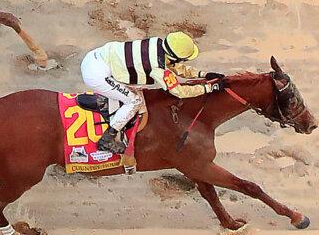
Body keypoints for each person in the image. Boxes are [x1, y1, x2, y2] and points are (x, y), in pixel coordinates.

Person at [80, 32, 223, 154]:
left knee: (131, 86)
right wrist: (209, 88)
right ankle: (107, 139)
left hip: (95, 57)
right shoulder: (157, 68)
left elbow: (174, 66)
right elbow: (179, 91)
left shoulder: (157, 44)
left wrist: (204, 74)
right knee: (134, 101)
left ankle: (106, 101)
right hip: (96, 74)